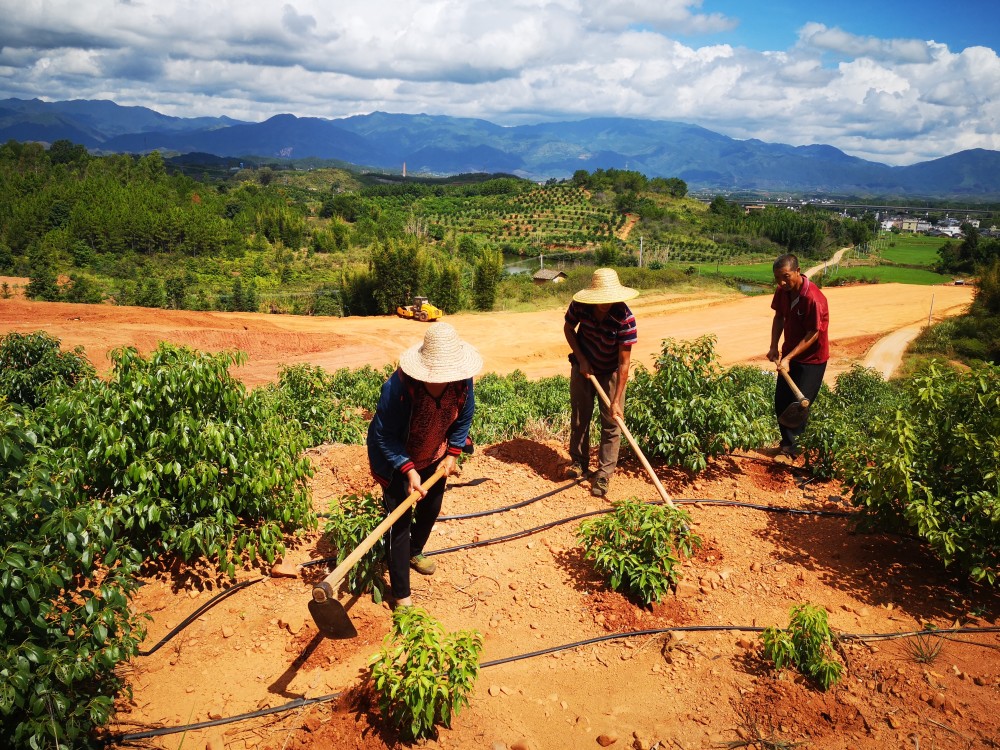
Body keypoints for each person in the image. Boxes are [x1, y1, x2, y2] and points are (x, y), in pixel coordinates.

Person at [367, 323, 482, 607]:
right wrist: (407, 470)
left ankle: (414, 551)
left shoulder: (462, 382)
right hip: (397, 461)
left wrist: (452, 454)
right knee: (399, 523)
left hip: (435, 455)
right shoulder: (398, 388)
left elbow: (465, 416)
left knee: (431, 507)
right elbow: (384, 434)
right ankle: (402, 596)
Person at [563, 268, 638, 498]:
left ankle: (604, 474)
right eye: (602, 299)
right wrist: (582, 360)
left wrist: (616, 401)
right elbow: (568, 328)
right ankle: (578, 463)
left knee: (611, 423)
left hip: (611, 371)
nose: (606, 303)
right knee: (579, 417)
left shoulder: (625, 319)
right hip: (583, 366)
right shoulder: (580, 305)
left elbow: (624, 364)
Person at [767, 253, 830, 459]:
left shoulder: (813, 298)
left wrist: (789, 357)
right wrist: (774, 346)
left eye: (786, 276)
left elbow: (813, 334)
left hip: (812, 360)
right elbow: (779, 317)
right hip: (789, 355)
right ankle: (786, 445)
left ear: (797, 271)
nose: (782, 282)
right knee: (781, 402)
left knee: (798, 407)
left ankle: (793, 452)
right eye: (777, 278)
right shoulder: (782, 291)